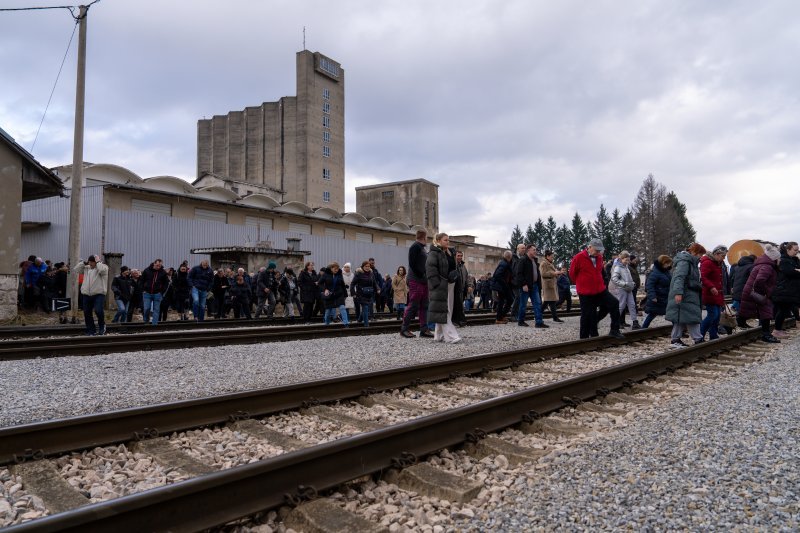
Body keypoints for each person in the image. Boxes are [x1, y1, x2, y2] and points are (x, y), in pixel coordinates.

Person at [569, 238, 623, 339]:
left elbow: (599, 271)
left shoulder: (599, 257)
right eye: (596, 250)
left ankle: (614, 330)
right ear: (589, 247)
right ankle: (584, 338)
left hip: (599, 289)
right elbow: (572, 274)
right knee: (587, 314)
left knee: (614, 303)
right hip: (585, 292)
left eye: (599, 250)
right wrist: (582, 283)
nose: (598, 252)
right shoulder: (578, 257)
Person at [666, 243, 706, 347]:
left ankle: (675, 339)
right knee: (691, 315)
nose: (701, 257)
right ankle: (698, 339)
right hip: (686, 294)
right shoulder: (685, 262)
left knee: (681, 317)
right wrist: (678, 292)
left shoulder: (688, 262)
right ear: (695, 252)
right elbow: (679, 277)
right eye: (700, 254)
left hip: (688, 293)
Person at [739, 244, 781, 343]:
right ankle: (766, 335)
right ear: (774, 258)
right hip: (758, 293)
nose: (780, 260)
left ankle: (728, 326)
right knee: (766, 313)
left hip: (751, 291)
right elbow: (760, 280)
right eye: (779, 258)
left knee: (747, 311)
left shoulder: (763, 264)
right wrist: (766, 292)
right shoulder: (767, 266)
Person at [426, 233, 461, 343]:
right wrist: (436, 284)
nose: (448, 242)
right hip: (441, 285)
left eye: (448, 240)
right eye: (445, 240)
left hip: (450, 284)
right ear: (438, 240)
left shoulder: (450, 252)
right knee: (445, 310)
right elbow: (430, 269)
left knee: (445, 309)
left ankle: (438, 335)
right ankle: (451, 337)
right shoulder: (434, 253)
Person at [400, 230, 435, 338]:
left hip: (423, 281)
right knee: (413, 305)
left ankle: (424, 329)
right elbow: (412, 263)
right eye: (426, 238)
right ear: (424, 237)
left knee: (424, 305)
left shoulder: (421, 248)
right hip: (416, 280)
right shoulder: (415, 247)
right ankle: (404, 329)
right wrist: (421, 275)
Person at [74, 255, 109, 335]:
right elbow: (76, 269)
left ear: (96, 262)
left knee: (98, 310)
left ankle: (102, 326)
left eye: (92, 262)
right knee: (87, 313)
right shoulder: (87, 268)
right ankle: (91, 330)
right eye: (89, 262)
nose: (90, 263)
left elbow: (101, 270)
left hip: (99, 294)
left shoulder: (104, 267)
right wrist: (83, 263)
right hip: (86, 294)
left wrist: (98, 262)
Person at [514, 244, 548, 328]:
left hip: (535, 286)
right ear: (528, 250)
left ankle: (539, 322)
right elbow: (519, 274)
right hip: (526, 286)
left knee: (537, 303)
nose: (535, 251)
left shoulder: (534, 261)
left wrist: (539, 285)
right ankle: (521, 321)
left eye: (535, 250)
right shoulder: (523, 260)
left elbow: (537, 274)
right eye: (534, 250)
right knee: (523, 304)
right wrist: (523, 284)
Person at [699, 245, 728, 341]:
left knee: (717, 316)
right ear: (717, 254)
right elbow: (703, 277)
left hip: (717, 294)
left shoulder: (718, 263)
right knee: (712, 315)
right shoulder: (707, 262)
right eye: (723, 256)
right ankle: (700, 335)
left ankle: (713, 335)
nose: (724, 258)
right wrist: (711, 287)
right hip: (710, 294)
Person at [772, 241, 800, 338]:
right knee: (783, 310)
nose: (797, 252)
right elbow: (789, 272)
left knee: (784, 310)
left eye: (798, 250)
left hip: (791, 291)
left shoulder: (793, 260)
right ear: (788, 249)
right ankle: (777, 330)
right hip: (785, 290)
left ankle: (778, 329)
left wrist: (797, 270)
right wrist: (796, 271)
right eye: (795, 250)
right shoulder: (783, 260)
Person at [609, 251, 639, 329]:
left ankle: (635, 322)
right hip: (622, 289)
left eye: (628, 260)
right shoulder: (618, 268)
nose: (627, 261)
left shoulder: (626, 267)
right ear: (621, 259)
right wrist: (624, 284)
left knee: (632, 305)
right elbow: (614, 279)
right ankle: (615, 322)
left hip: (628, 289)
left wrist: (632, 283)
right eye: (626, 260)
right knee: (621, 306)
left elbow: (629, 278)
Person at [642, 255, 672, 328]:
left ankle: (677, 331)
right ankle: (643, 329)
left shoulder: (666, 271)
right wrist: (653, 296)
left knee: (672, 313)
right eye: (667, 263)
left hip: (665, 297)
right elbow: (649, 286)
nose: (669, 265)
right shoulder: (655, 273)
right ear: (663, 263)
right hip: (658, 298)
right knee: (652, 314)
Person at [319, 262, 350, 326]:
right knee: (328, 311)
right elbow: (320, 283)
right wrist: (325, 289)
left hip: (339, 294)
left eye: (337, 269)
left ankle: (346, 323)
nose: (336, 270)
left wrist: (345, 295)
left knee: (342, 308)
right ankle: (327, 323)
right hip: (330, 295)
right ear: (331, 268)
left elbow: (342, 284)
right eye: (335, 269)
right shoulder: (326, 274)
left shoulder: (339, 274)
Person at [141, 259, 169, 325]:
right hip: (147, 293)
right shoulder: (147, 270)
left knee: (156, 310)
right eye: (157, 265)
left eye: (160, 265)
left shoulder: (163, 272)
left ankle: (154, 324)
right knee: (146, 308)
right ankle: (146, 321)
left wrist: (162, 292)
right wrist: (143, 290)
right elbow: (141, 280)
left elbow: (166, 283)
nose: (158, 267)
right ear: (154, 263)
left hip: (157, 293)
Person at [539, 250, 564, 322]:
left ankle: (554, 317)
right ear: (547, 256)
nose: (553, 258)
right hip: (548, 285)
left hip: (551, 285)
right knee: (548, 301)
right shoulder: (543, 263)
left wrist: (557, 273)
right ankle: (539, 315)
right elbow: (543, 274)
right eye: (552, 257)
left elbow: (551, 273)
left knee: (550, 301)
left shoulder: (550, 263)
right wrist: (554, 273)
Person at [352, 261, 378, 327]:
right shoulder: (359, 273)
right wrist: (353, 293)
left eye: (368, 266)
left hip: (369, 293)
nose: (367, 268)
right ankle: (366, 325)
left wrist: (378, 289)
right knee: (366, 307)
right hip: (361, 294)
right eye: (366, 266)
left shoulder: (371, 273)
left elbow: (374, 283)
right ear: (363, 267)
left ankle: (359, 319)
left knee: (365, 308)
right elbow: (352, 284)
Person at [491, 251, 515, 324]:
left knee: (505, 301)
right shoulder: (504, 264)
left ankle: (501, 316)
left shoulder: (505, 263)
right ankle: (499, 318)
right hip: (501, 286)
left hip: (502, 286)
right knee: (507, 300)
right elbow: (497, 275)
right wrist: (505, 283)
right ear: (509, 257)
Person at [452, 250, 470, 327]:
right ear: (455, 256)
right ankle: (455, 321)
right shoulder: (453, 265)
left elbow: (467, 278)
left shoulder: (463, 266)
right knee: (455, 306)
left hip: (462, 290)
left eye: (461, 256)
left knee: (460, 307)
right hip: (454, 290)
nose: (460, 257)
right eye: (458, 255)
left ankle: (459, 321)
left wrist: (469, 285)